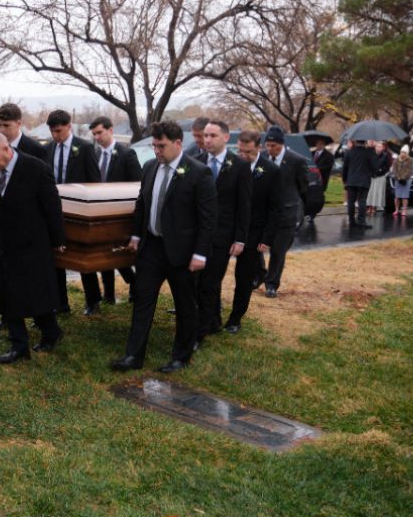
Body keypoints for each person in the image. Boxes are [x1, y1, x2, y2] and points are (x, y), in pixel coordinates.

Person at [110, 121, 216, 373]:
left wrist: (200, 253)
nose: (157, 151)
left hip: (183, 252)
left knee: (185, 305)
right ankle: (133, 356)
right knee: (142, 301)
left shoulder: (198, 172)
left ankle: (181, 356)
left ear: (178, 143)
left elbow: (208, 218)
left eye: (162, 146)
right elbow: (142, 203)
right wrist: (136, 235)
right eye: (154, 146)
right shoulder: (149, 167)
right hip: (151, 249)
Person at [0, 133, 67, 364]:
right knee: (7, 292)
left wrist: (58, 240)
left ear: (6, 149)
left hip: (31, 243)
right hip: (2, 242)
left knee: (35, 293)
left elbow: (52, 206)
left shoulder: (36, 169)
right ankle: (19, 345)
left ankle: (51, 333)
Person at [0, 102, 49, 330]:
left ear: (19, 123)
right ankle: (8, 317)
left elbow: (44, 189)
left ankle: (41, 320)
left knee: (28, 278)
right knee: (2, 274)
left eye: (7, 125)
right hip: (1, 225)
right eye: (0, 125)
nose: (2, 130)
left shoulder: (35, 149)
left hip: (27, 227)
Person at [194, 120, 252, 343]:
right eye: (205, 136)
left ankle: (199, 333)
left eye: (213, 136)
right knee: (198, 281)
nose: (207, 140)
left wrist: (240, 238)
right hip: (198, 234)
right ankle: (212, 321)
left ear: (226, 137)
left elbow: (244, 205)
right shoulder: (196, 162)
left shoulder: (239, 166)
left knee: (209, 283)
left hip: (223, 236)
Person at [79, 116, 142, 315]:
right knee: (102, 254)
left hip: (119, 213)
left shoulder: (126, 154)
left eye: (100, 132)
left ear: (110, 130)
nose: (97, 137)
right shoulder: (94, 153)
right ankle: (108, 295)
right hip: (97, 212)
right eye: (94, 134)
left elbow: (137, 184)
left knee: (115, 254)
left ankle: (133, 283)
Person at [224, 131, 283, 334]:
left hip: (254, 232)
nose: (243, 155)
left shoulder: (271, 171)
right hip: (228, 229)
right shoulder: (230, 165)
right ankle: (212, 314)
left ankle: (235, 318)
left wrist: (267, 238)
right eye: (240, 150)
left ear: (259, 148)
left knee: (243, 278)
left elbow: (275, 208)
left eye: (248, 152)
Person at [44, 109, 100, 313]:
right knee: (56, 257)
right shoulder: (49, 148)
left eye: (58, 131)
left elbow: (94, 181)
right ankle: (61, 303)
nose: (55, 135)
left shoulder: (84, 148)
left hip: (79, 211)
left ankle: (93, 301)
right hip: (55, 210)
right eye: (52, 131)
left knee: (82, 256)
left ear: (69, 126)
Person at [258, 125, 307, 298]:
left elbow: (303, 187)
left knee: (278, 251)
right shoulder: (262, 158)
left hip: (286, 214)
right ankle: (259, 275)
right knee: (256, 247)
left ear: (282, 144)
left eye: (274, 146)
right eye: (268, 145)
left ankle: (271, 284)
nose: (270, 149)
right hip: (264, 213)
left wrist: (294, 205)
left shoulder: (296, 161)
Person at [341, 138, 377, 229]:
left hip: (351, 181)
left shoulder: (349, 152)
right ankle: (361, 221)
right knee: (362, 201)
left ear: (356, 141)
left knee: (350, 201)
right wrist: (373, 174)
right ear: (365, 141)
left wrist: (344, 180)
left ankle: (352, 221)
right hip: (364, 181)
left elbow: (344, 168)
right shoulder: (369, 152)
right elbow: (374, 167)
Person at [367, 141, 392, 216]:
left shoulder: (385, 155)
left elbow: (387, 167)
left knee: (377, 193)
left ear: (383, 148)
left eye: (380, 146)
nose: (379, 148)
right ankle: (369, 206)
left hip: (380, 176)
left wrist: (381, 171)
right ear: (375, 147)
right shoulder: (371, 154)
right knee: (370, 192)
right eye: (378, 146)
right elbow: (368, 164)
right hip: (372, 176)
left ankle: (374, 207)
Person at [391, 145, 413, 216]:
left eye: (404, 152)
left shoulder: (410, 160)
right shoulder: (396, 159)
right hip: (397, 179)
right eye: (402, 152)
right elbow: (394, 169)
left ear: (407, 153)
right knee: (397, 196)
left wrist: (402, 178)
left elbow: (408, 170)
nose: (403, 154)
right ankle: (396, 209)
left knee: (404, 196)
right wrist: (398, 177)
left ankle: (404, 210)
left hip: (406, 179)